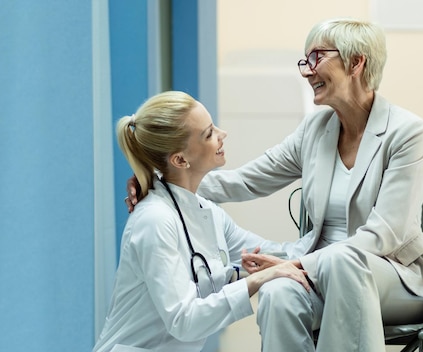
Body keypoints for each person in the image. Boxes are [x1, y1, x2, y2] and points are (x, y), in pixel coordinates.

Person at [125, 18, 423, 351]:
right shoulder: (316, 129)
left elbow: (384, 235)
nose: (306, 71)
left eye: (316, 58)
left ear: (356, 62)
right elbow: (247, 180)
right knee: (276, 292)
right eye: (305, 61)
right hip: (317, 270)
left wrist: (301, 264)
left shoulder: (407, 133)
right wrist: (163, 181)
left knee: (340, 264)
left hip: (393, 275)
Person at [93, 91, 308, 352]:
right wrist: (255, 281)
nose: (222, 134)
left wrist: (340, 251)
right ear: (180, 160)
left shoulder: (208, 213)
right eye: (208, 134)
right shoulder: (155, 221)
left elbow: (272, 254)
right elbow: (184, 320)